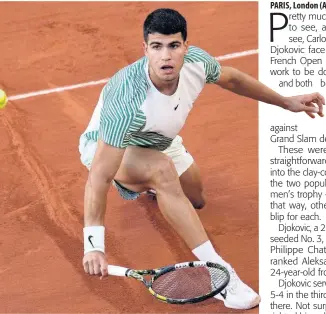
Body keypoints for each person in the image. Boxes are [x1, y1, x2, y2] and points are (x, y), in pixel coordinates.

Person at [78, 8, 324, 310]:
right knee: (161, 170)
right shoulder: (126, 101)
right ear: (145, 49)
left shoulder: (198, 63)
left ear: (186, 47)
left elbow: (232, 79)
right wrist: (94, 245)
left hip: (160, 140)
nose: (165, 56)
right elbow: (99, 177)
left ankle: (157, 185)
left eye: (173, 46)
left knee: (195, 197)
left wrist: (286, 102)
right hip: (114, 146)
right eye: (156, 47)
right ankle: (220, 274)